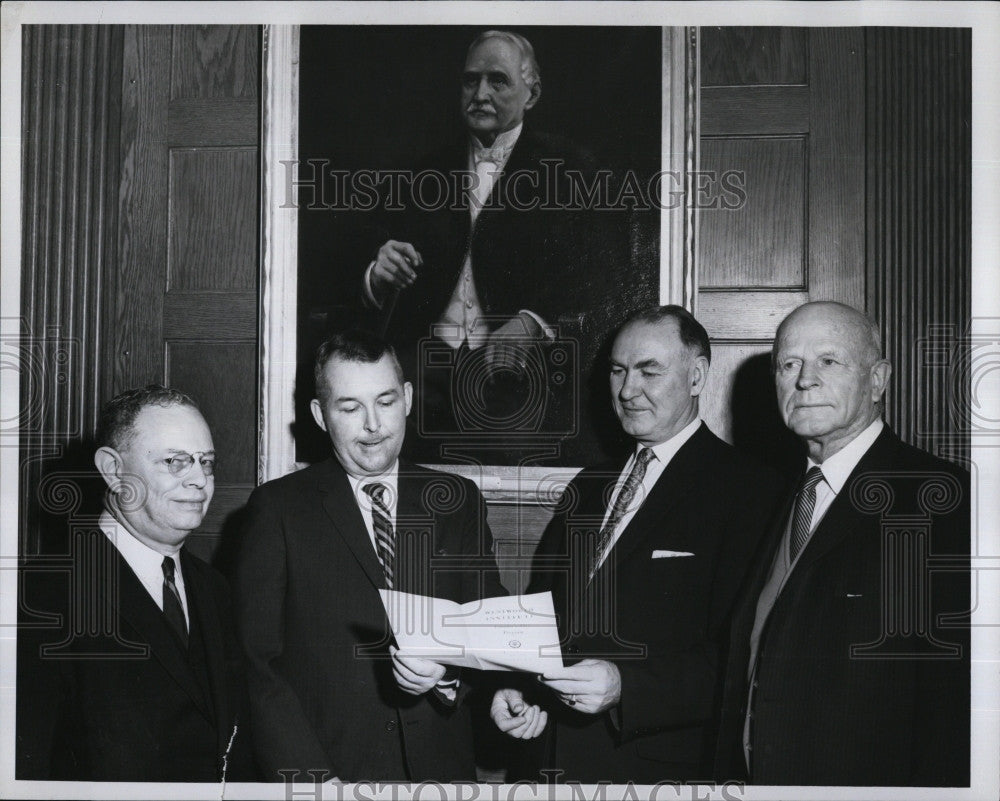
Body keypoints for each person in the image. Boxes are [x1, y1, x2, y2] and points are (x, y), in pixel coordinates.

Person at [490, 306, 785, 783]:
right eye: (618, 370)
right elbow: (544, 615)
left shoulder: (751, 492)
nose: (627, 390)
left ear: (697, 376)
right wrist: (519, 687)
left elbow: (741, 661)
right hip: (544, 765)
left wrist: (626, 686)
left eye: (649, 370)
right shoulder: (587, 486)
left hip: (648, 773)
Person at [715, 301, 970, 786]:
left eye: (828, 361)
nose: (804, 380)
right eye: (789, 364)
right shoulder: (774, 498)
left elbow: (957, 708)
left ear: (878, 380)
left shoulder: (940, 499)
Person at [234, 330, 507, 781]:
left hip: (442, 774)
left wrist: (451, 680)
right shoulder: (278, 509)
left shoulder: (458, 500)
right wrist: (311, 782)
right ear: (321, 416)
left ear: (408, 399)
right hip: (329, 774)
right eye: (350, 407)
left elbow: (486, 629)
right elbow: (257, 665)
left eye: (385, 401)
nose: (373, 425)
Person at [359, 30, 627, 455]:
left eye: (498, 81)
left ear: (532, 93)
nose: (480, 93)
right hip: (418, 373)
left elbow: (601, 280)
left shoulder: (575, 170)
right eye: (471, 80)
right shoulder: (420, 170)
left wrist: (532, 321)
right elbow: (362, 269)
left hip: (518, 378)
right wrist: (378, 272)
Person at [16, 386, 255, 781]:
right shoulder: (41, 595)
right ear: (112, 470)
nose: (199, 480)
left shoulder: (214, 588)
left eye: (206, 462)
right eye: (176, 461)